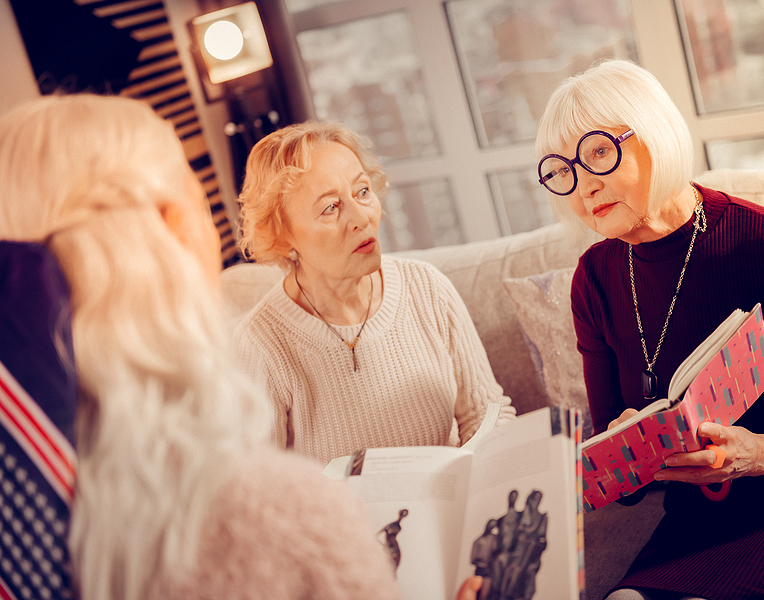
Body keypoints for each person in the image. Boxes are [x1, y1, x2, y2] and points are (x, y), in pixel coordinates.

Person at [0, 94, 485, 600]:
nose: (361, 217)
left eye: (363, 191)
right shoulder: (283, 513)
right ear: (179, 230)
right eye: (194, 192)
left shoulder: (35, 516)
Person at [535, 59, 764, 599]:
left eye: (597, 152)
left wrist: (758, 455)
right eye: (562, 169)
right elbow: (625, 490)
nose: (583, 184)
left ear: (654, 132)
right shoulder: (595, 279)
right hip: (703, 519)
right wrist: (632, 451)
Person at [234, 122, 515, 464]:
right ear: (281, 236)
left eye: (363, 191)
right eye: (330, 208)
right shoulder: (259, 345)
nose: (361, 218)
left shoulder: (427, 288)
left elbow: (487, 415)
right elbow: (269, 488)